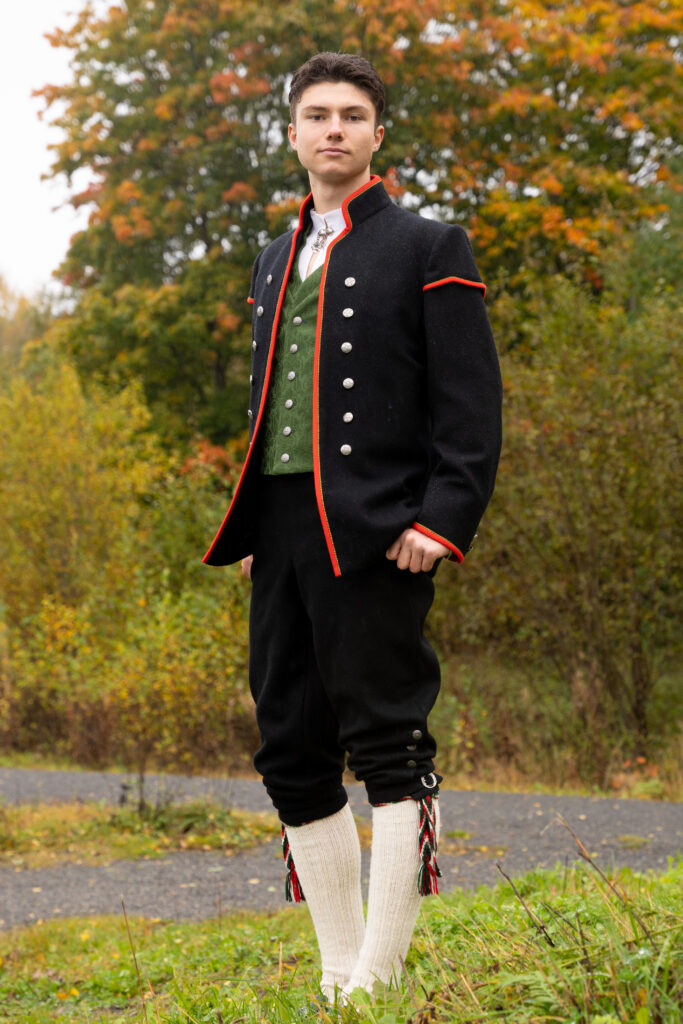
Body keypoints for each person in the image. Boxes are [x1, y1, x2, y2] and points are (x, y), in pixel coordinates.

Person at [204, 52, 502, 1003]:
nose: (333, 128)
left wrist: (442, 520)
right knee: (290, 747)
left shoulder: (429, 245)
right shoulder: (272, 257)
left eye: (351, 115)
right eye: (317, 114)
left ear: (377, 134)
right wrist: (258, 522)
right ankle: (339, 975)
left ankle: (380, 975)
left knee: (387, 742)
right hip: (280, 531)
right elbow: (269, 405)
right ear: (292, 133)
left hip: (375, 529)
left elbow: (470, 408)